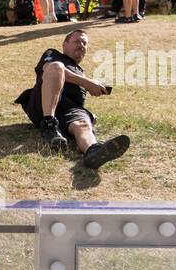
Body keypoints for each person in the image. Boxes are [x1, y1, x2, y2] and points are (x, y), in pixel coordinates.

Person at [14, 28, 130, 170]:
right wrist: (87, 83)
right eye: (76, 41)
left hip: (69, 111)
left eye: (84, 43)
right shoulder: (52, 54)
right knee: (57, 67)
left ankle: (92, 152)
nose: (81, 45)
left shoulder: (81, 72)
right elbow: (51, 68)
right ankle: (49, 125)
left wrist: (88, 114)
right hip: (43, 104)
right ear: (64, 45)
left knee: (82, 124)